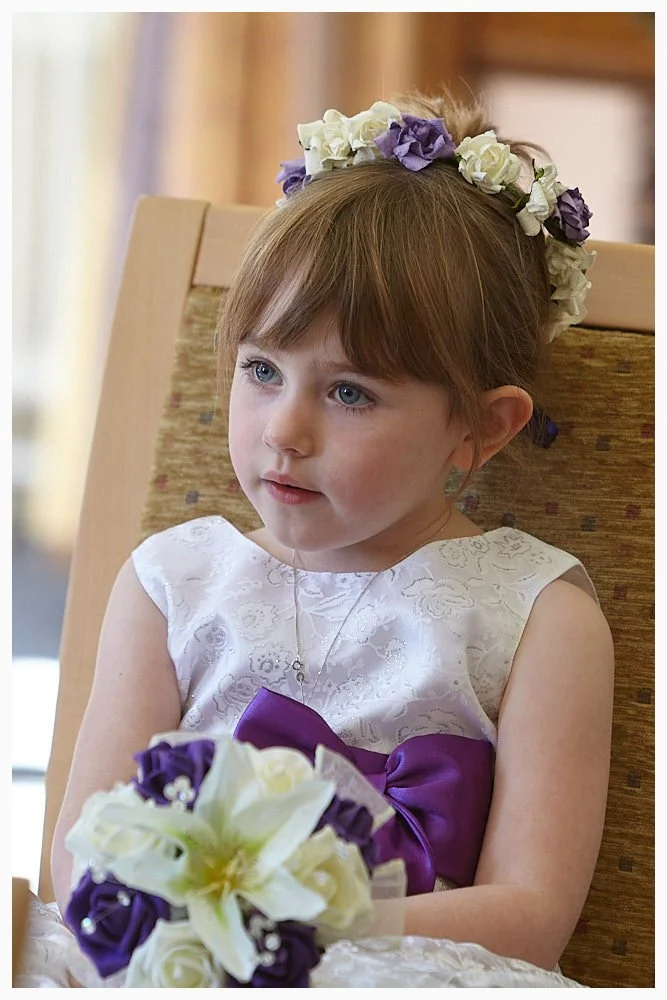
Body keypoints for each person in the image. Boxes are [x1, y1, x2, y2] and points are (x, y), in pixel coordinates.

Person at [19, 89, 613, 988]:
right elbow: (83, 857)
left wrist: (289, 923)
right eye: (261, 369)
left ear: (479, 428)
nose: (283, 431)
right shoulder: (173, 582)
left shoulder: (538, 616)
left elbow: (529, 914)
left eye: (348, 393)